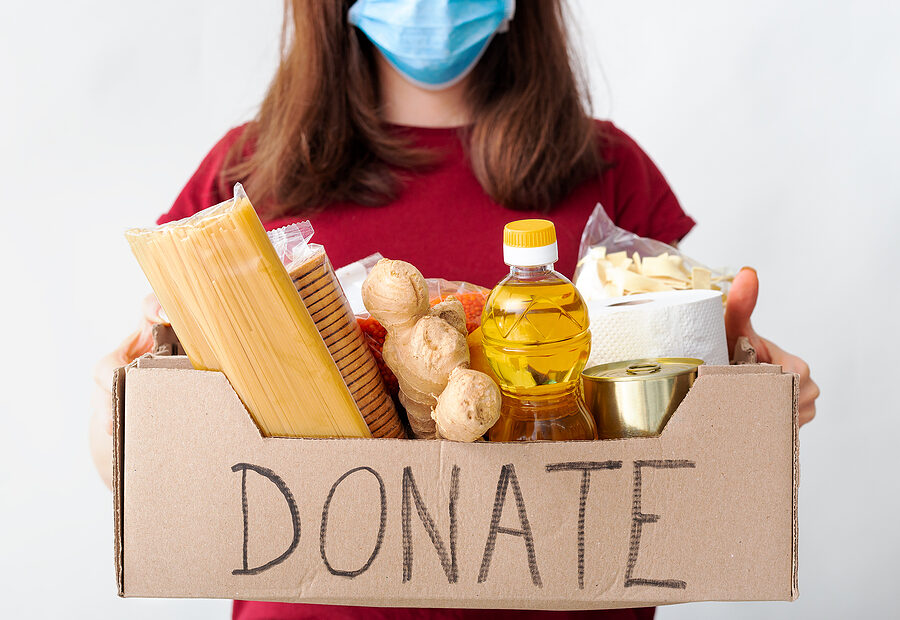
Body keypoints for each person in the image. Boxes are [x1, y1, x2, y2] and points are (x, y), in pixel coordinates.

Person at [90, 1, 819, 618]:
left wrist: (754, 382)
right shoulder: (248, 181)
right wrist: (111, 403)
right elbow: (152, 456)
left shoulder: (609, 170)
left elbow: (683, 406)